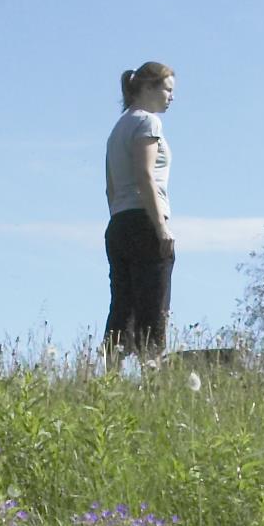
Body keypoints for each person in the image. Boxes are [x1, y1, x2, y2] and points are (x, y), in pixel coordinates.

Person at [104, 61, 176, 360]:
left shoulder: (118, 128)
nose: (171, 97)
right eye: (167, 90)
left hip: (119, 222)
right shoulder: (148, 122)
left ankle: (110, 373)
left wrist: (120, 219)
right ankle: (152, 370)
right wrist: (160, 227)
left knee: (122, 304)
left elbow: (110, 187)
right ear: (147, 87)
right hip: (145, 219)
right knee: (153, 304)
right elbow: (145, 175)